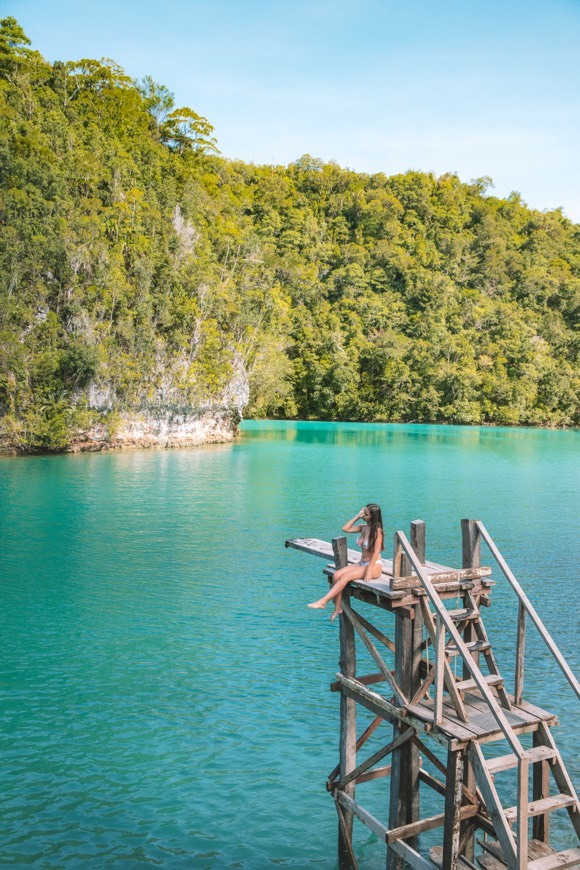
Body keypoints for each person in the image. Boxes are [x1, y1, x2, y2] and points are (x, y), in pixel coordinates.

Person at [308, 504, 384, 622]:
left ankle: (323, 601)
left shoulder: (378, 531)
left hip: (374, 566)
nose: (364, 516)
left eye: (366, 514)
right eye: (364, 513)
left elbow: (376, 552)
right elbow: (345, 528)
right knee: (336, 575)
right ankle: (338, 608)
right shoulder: (363, 527)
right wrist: (357, 516)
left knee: (346, 576)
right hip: (362, 563)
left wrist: (369, 570)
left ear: (373, 517)